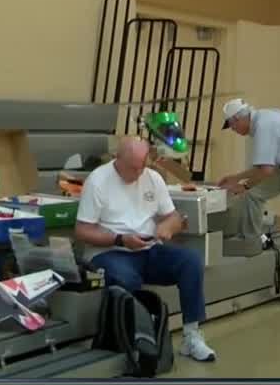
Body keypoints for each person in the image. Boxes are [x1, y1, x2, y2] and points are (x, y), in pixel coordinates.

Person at [74, 137, 217, 362]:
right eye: (133, 167)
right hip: (111, 251)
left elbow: (174, 217)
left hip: (148, 248)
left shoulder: (152, 178)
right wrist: (120, 239)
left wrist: (167, 226)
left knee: (190, 260)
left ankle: (191, 335)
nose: (139, 172)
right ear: (117, 159)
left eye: (143, 166)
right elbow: (82, 231)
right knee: (125, 277)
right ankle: (136, 338)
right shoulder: (98, 181)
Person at [215, 98, 280, 304]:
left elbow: (265, 170)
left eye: (232, 125)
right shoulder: (265, 118)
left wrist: (242, 185)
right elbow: (264, 168)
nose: (234, 130)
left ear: (238, 118)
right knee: (254, 194)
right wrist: (236, 178)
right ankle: (251, 241)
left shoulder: (263, 125)